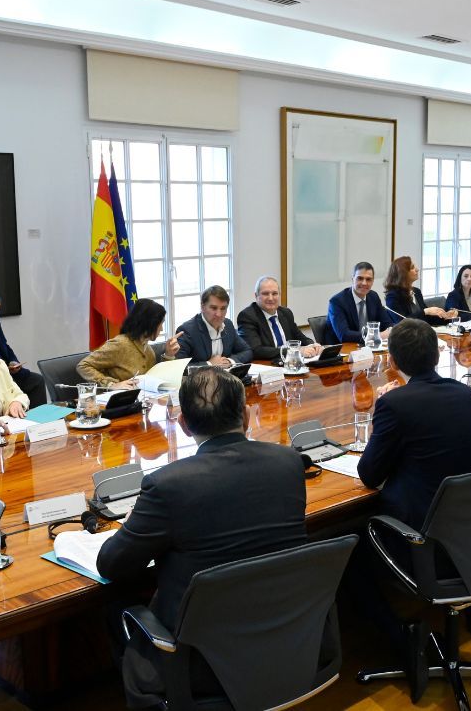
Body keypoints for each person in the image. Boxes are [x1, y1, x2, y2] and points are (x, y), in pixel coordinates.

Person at [97, 368, 309, 708]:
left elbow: (111, 564)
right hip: (286, 636)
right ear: (246, 414)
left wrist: (136, 520)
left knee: (114, 605)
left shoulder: (167, 485)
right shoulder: (288, 462)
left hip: (200, 661)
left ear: (183, 424)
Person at [355, 317, 471, 662]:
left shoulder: (394, 405)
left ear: (392, 362)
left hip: (421, 538)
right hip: (470, 529)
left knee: (352, 552)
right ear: (437, 355)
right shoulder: (465, 395)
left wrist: (378, 419)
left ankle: (406, 644)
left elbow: (369, 474)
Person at [77, 299, 182, 388]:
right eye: (160, 324)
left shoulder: (147, 348)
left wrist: (169, 355)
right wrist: (111, 384)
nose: (162, 328)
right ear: (150, 324)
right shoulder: (120, 344)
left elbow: (155, 378)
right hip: (120, 404)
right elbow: (83, 366)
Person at [236, 276, 320, 362]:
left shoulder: (286, 313)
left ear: (279, 295)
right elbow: (255, 350)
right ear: (256, 296)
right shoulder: (247, 316)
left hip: (291, 363)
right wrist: (293, 351)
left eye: (274, 293)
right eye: (265, 294)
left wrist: (312, 345)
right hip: (267, 366)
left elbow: (299, 337)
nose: (270, 298)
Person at [175, 285, 254, 365]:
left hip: (226, 375)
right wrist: (209, 364)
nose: (219, 314)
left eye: (223, 308)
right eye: (214, 308)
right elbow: (179, 366)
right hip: (200, 377)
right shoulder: (187, 330)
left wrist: (229, 361)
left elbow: (247, 351)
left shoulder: (228, 324)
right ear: (202, 307)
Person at [327, 262, 399, 344]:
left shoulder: (373, 296)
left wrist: (391, 329)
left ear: (372, 282)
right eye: (360, 278)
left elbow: (387, 323)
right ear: (352, 279)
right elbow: (344, 335)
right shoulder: (337, 302)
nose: (364, 283)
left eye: (368, 279)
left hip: (369, 348)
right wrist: (378, 336)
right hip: (344, 350)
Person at [382, 256, 452, 325]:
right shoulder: (392, 296)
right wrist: (425, 311)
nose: (417, 269)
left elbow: (426, 319)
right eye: (412, 267)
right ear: (403, 273)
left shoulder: (417, 291)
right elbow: (401, 322)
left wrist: (446, 317)